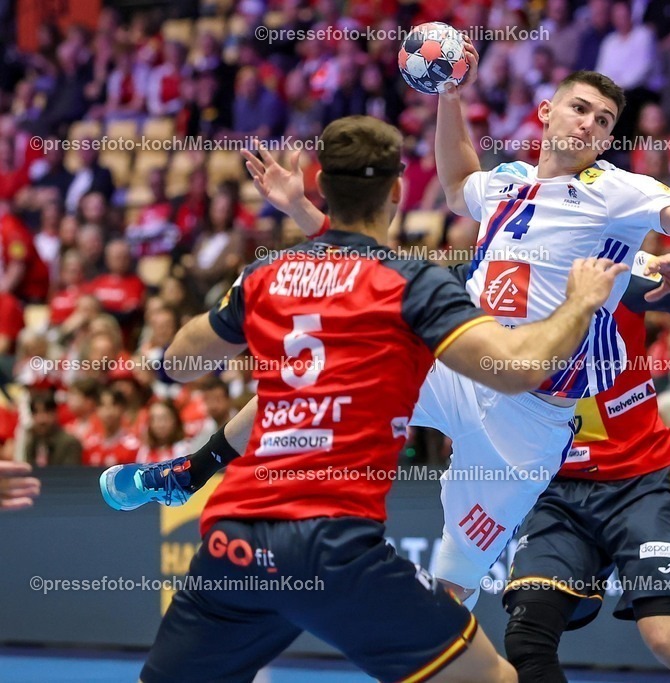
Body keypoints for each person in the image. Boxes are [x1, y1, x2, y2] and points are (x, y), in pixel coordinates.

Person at [100, 115, 627, 683]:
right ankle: (191, 469)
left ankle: (193, 470)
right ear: (398, 191)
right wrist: (580, 302)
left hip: (236, 538)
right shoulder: (411, 285)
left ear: (322, 182)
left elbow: (179, 364)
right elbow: (519, 366)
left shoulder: (266, 274)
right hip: (333, 547)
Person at [237, 64, 670, 607]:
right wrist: (449, 95)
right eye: (579, 109)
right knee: (315, 379)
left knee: (451, 587)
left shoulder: (619, 200)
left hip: (530, 420)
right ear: (545, 113)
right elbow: (455, 186)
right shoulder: (506, 186)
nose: (589, 125)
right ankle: (193, 470)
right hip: (463, 369)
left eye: (604, 120)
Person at [500, 167, 670, 683]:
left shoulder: (626, 273)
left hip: (636, 480)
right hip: (555, 484)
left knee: (667, 640)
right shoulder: (507, 280)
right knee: (526, 638)